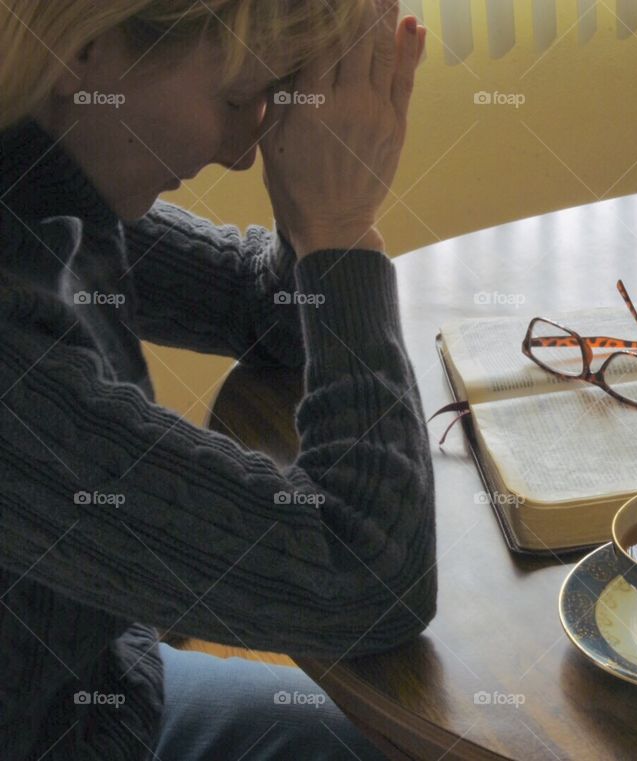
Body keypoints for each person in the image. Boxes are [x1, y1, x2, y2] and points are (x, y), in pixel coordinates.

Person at [0, 0, 433, 758]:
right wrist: (339, 234)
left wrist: (312, 206)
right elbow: (367, 573)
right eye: (237, 100)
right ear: (83, 54)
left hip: (97, 696)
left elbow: (256, 303)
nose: (244, 150)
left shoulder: (43, 173)